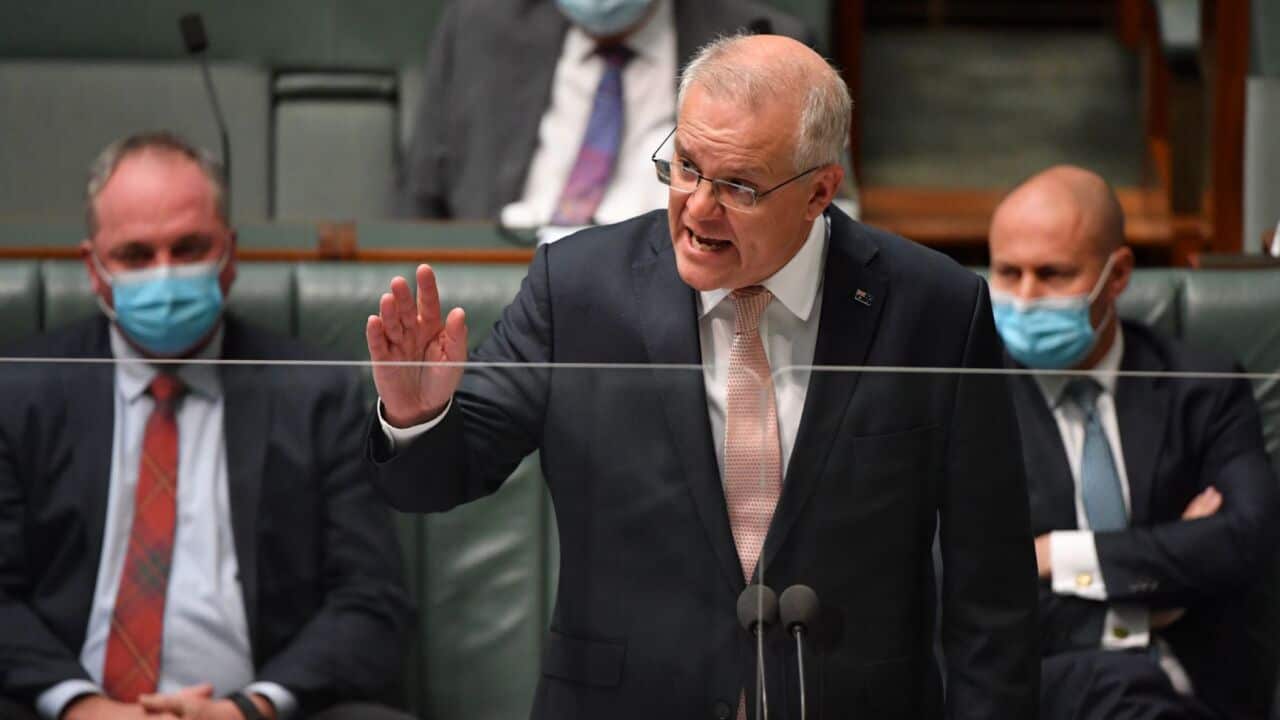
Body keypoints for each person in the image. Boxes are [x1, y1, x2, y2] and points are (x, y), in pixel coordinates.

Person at [369, 34, 1038, 718]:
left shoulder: (933, 307)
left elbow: (993, 589)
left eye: (738, 186)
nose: (697, 209)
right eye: (686, 166)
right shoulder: (577, 288)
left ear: (819, 192)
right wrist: (417, 418)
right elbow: (435, 479)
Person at [0, 133, 415, 720]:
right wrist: (83, 707)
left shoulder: (316, 395)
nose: (164, 275)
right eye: (136, 255)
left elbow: (372, 605)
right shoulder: (19, 393)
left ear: (230, 255)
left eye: (189, 247)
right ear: (95, 270)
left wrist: (250, 708)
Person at [988, 165, 1280, 719]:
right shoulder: (968, 400)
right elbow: (957, 591)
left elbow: (1247, 538)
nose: (1025, 299)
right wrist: (1150, 604)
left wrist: (1054, 554)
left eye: (1053, 274)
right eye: (1007, 272)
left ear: (1117, 274)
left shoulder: (1203, 389)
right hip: (1048, 691)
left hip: (1206, 687)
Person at [401, 0, 814, 226]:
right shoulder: (477, 26)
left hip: (672, 289)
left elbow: (813, 212)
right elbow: (418, 203)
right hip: (498, 283)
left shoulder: (766, 43)